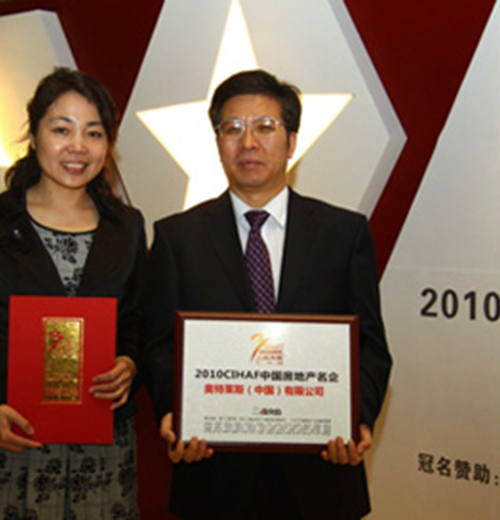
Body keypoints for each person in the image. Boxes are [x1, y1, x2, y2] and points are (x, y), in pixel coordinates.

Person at [143, 69, 393, 520]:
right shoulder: (177, 238)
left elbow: (371, 347)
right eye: (233, 129)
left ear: (292, 141)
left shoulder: (344, 234)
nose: (248, 143)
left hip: (321, 475)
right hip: (213, 473)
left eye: (264, 127)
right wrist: (173, 411)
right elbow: (160, 345)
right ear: (218, 141)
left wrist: (356, 418)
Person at [0, 67, 145, 520]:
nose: (78, 146)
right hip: (13, 435)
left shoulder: (127, 228)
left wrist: (129, 362)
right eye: (61, 129)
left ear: (108, 144)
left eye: (94, 133)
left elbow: (137, 319)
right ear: (34, 136)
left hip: (102, 441)